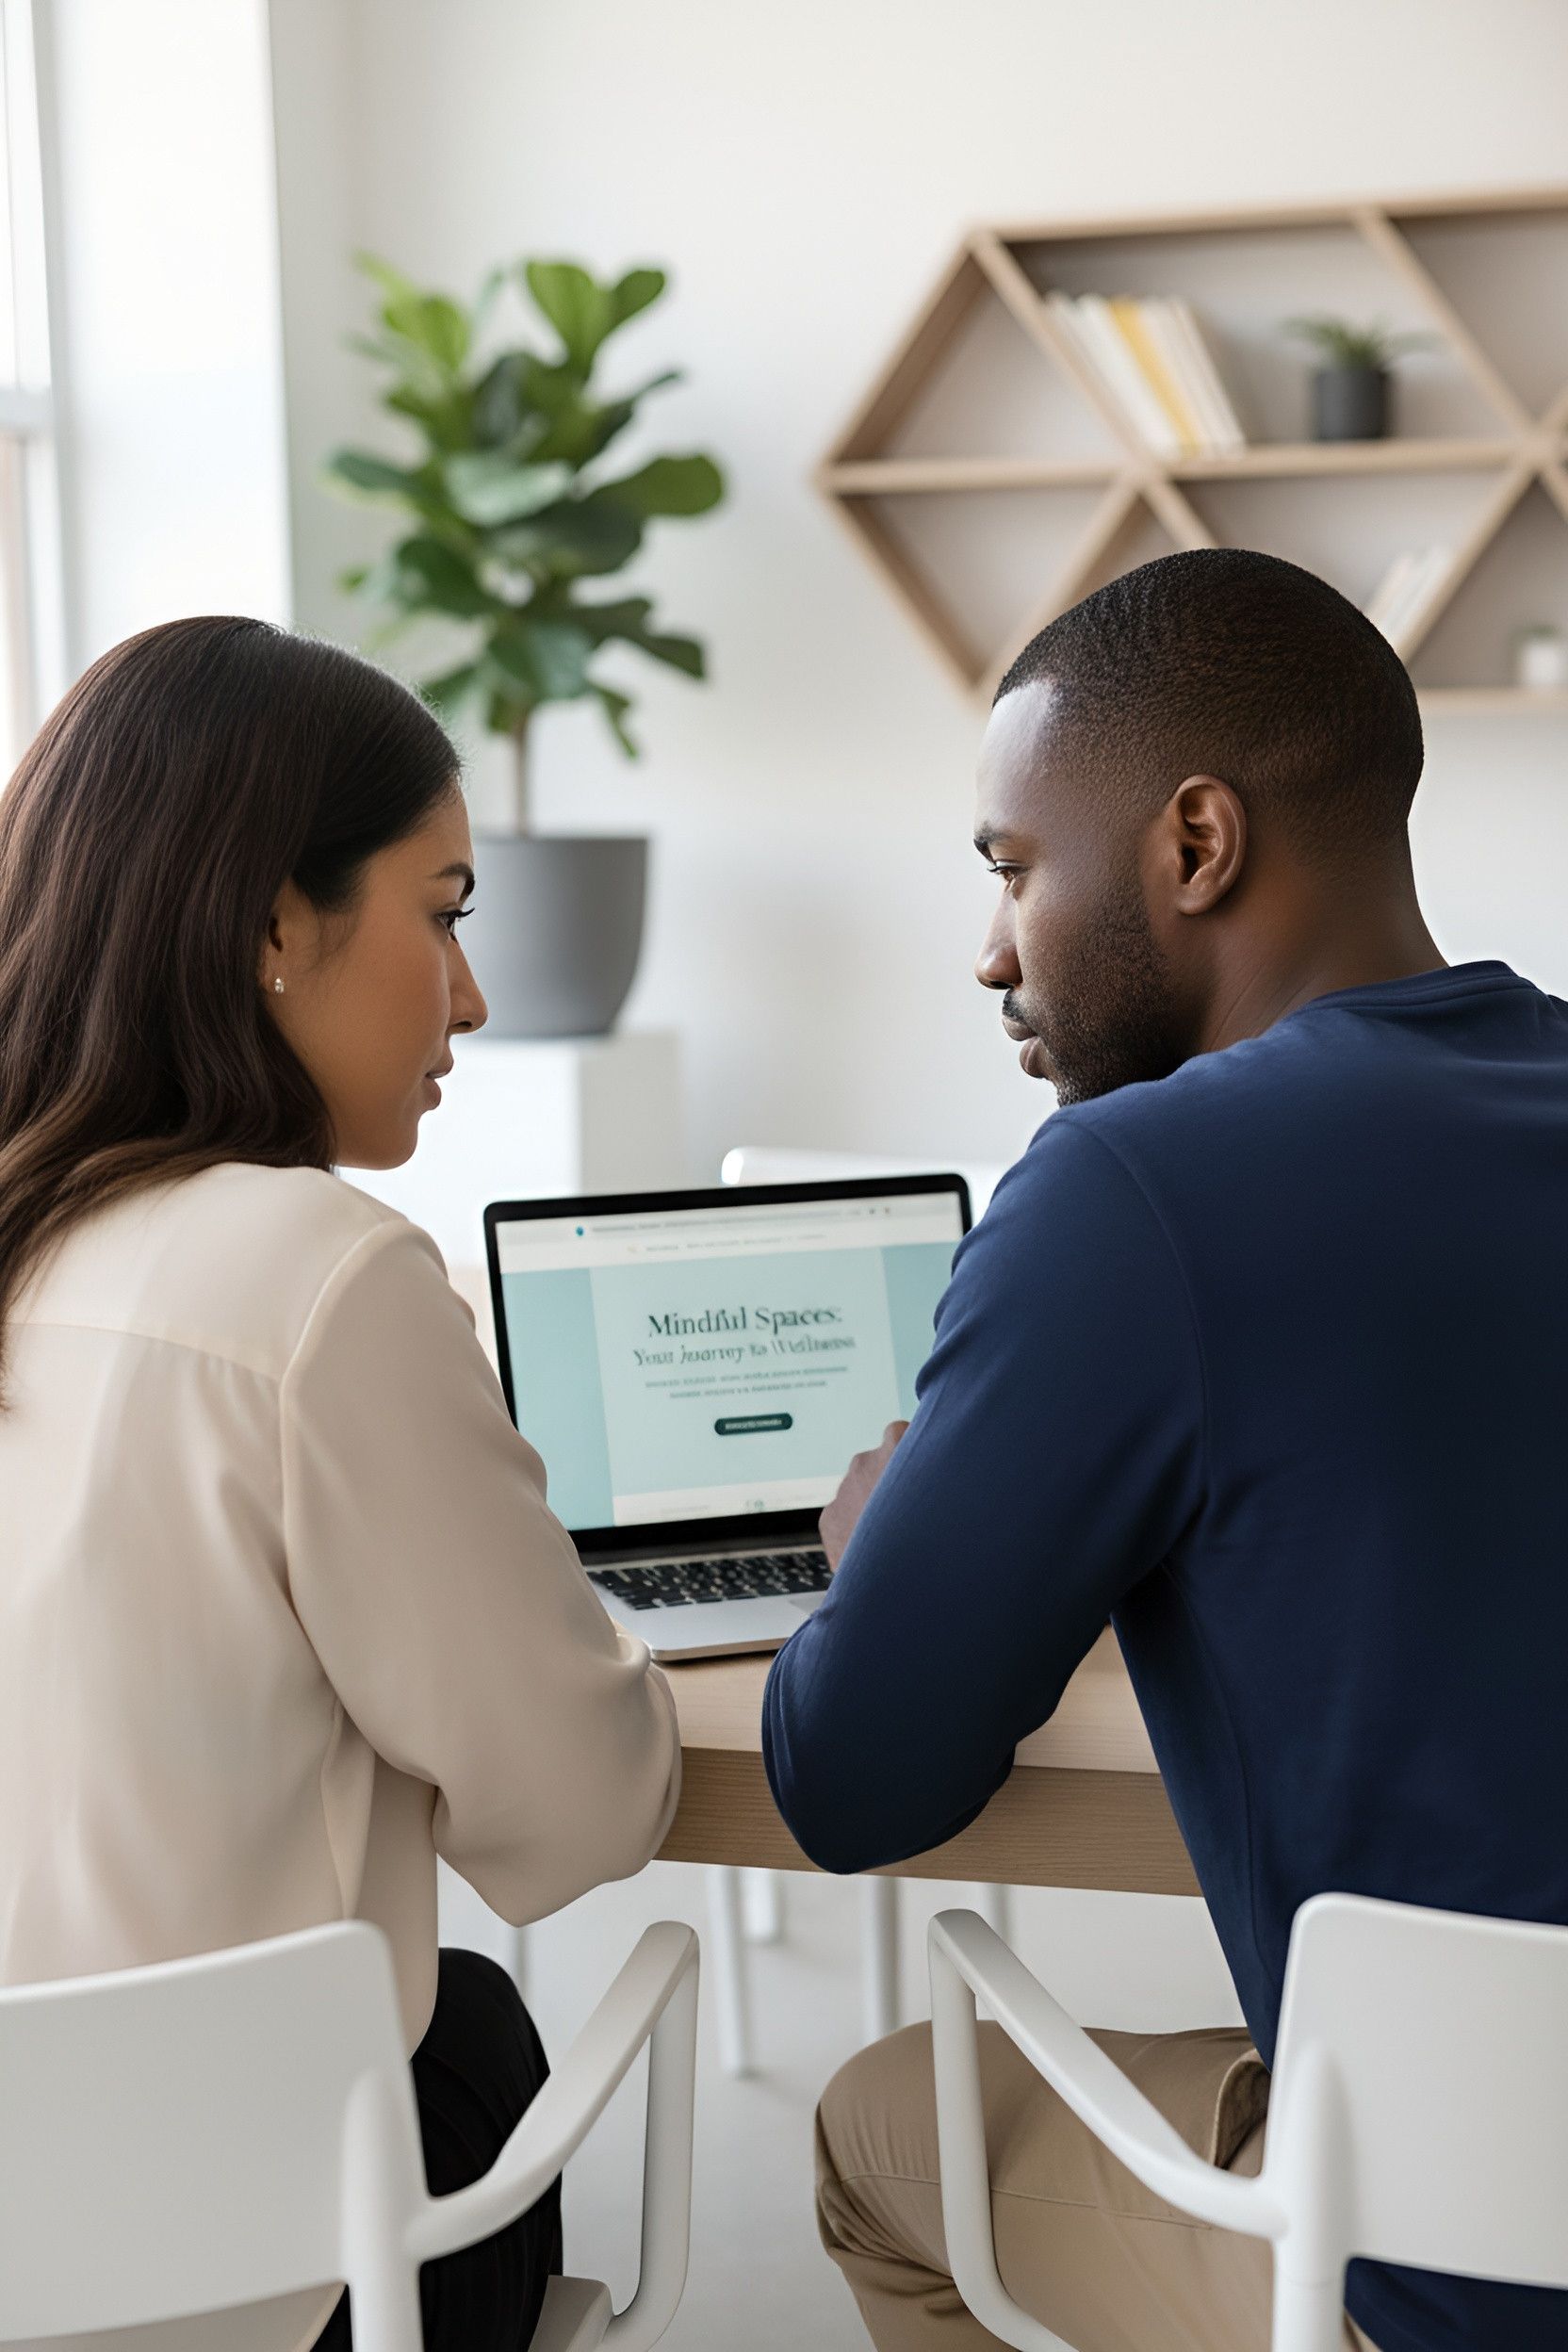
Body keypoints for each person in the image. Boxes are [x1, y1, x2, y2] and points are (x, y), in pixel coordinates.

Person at [762, 547, 1568, 2352]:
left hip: (1458, 2276)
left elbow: (854, 1779)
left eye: (1011, 868)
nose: (991, 948)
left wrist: (883, 1536)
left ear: (1195, 844)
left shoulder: (1134, 1195)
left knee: (890, 2136)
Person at [0, 617, 681, 2352]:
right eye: (444, 912)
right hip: (232, 2284)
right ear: (271, 924)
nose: (471, 993)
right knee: (472, 2029)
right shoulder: (322, 1277)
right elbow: (577, 1814)